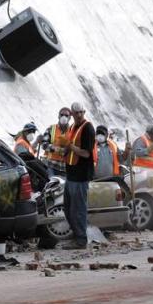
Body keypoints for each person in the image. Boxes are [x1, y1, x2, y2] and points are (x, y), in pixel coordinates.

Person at [63, 101, 96, 250]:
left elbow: (86, 153)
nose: (79, 115)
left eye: (81, 112)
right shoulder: (72, 127)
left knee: (78, 209)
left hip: (81, 175)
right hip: (71, 174)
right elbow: (69, 148)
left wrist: (71, 147)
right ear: (72, 113)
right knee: (68, 208)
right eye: (76, 113)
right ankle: (77, 235)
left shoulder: (88, 128)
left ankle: (81, 239)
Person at [39, 107, 73, 176]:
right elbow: (44, 144)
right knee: (51, 185)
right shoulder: (51, 129)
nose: (64, 117)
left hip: (66, 168)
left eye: (66, 115)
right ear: (58, 116)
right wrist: (56, 149)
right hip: (51, 166)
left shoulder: (73, 131)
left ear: (70, 118)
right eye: (62, 115)